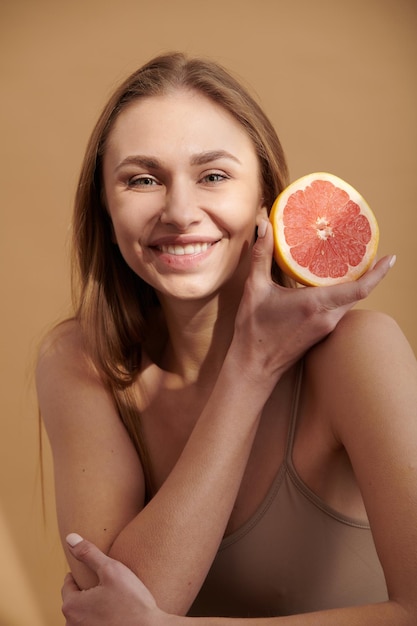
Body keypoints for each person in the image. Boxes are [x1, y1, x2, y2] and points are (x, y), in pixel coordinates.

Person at [36, 52, 417, 625]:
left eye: (214, 175)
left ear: (267, 196)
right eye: (142, 179)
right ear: (106, 210)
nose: (181, 211)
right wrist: (249, 370)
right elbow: (112, 610)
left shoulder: (358, 353)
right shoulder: (81, 361)